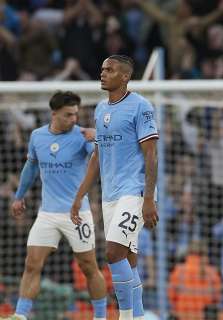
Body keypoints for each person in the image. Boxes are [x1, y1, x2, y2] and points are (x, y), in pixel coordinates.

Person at [71, 55, 159, 320]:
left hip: (134, 192)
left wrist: (148, 199)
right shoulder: (100, 109)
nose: (103, 73)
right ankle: (139, 316)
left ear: (124, 76)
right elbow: (96, 157)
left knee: (112, 252)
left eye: (109, 70)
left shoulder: (141, 106)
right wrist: (79, 197)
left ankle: (125, 316)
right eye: (102, 69)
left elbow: (151, 155)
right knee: (128, 261)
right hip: (110, 195)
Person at [8, 91, 107, 320]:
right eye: (68, 115)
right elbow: (31, 167)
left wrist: (99, 140)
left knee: (89, 267)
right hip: (48, 214)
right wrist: (19, 196)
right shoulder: (37, 136)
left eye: (76, 114)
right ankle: (20, 316)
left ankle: (101, 317)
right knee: (32, 263)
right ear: (54, 114)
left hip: (77, 214)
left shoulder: (82, 136)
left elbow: (100, 162)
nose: (74, 119)